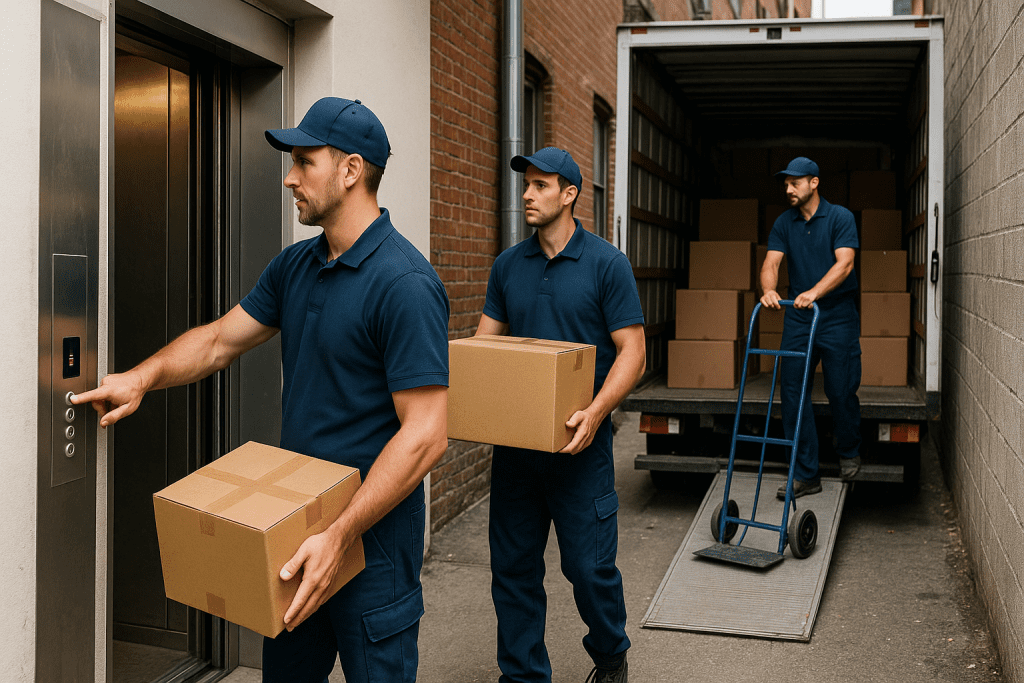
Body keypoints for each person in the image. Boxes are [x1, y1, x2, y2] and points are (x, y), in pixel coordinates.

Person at [74, 97, 450, 683]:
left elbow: (426, 436)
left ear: (351, 170)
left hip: (372, 545)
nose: (290, 177)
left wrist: (340, 533)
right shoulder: (295, 266)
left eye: (304, 161)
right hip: (297, 531)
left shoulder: (404, 284)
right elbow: (220, 340)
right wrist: (141, 377)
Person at [475, 147, 646, 683]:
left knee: (589, 570)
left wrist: (595, 413)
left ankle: (611, 653)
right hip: (517, 452)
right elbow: (486, 348)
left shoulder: (606, 264)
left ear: (570, 194)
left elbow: (634, 352)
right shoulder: (508, 265)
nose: (527, 194)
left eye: (541, 185)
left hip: (580, 448)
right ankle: (523, 675)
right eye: (526, 185)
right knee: (514, 570)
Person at [760, 156, 862, 499]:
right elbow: (771, 263)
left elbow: (845, 264)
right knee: (793, 392)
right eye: (785, 184)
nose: (788, 189)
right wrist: (769, 289)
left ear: (814, 183)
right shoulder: (783, 223)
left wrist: (815, 292)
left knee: (841, 389)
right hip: (801, 319)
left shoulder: (839, 217)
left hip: (836, 315)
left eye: (795, 183)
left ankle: (849, 451)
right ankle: (805, 474)